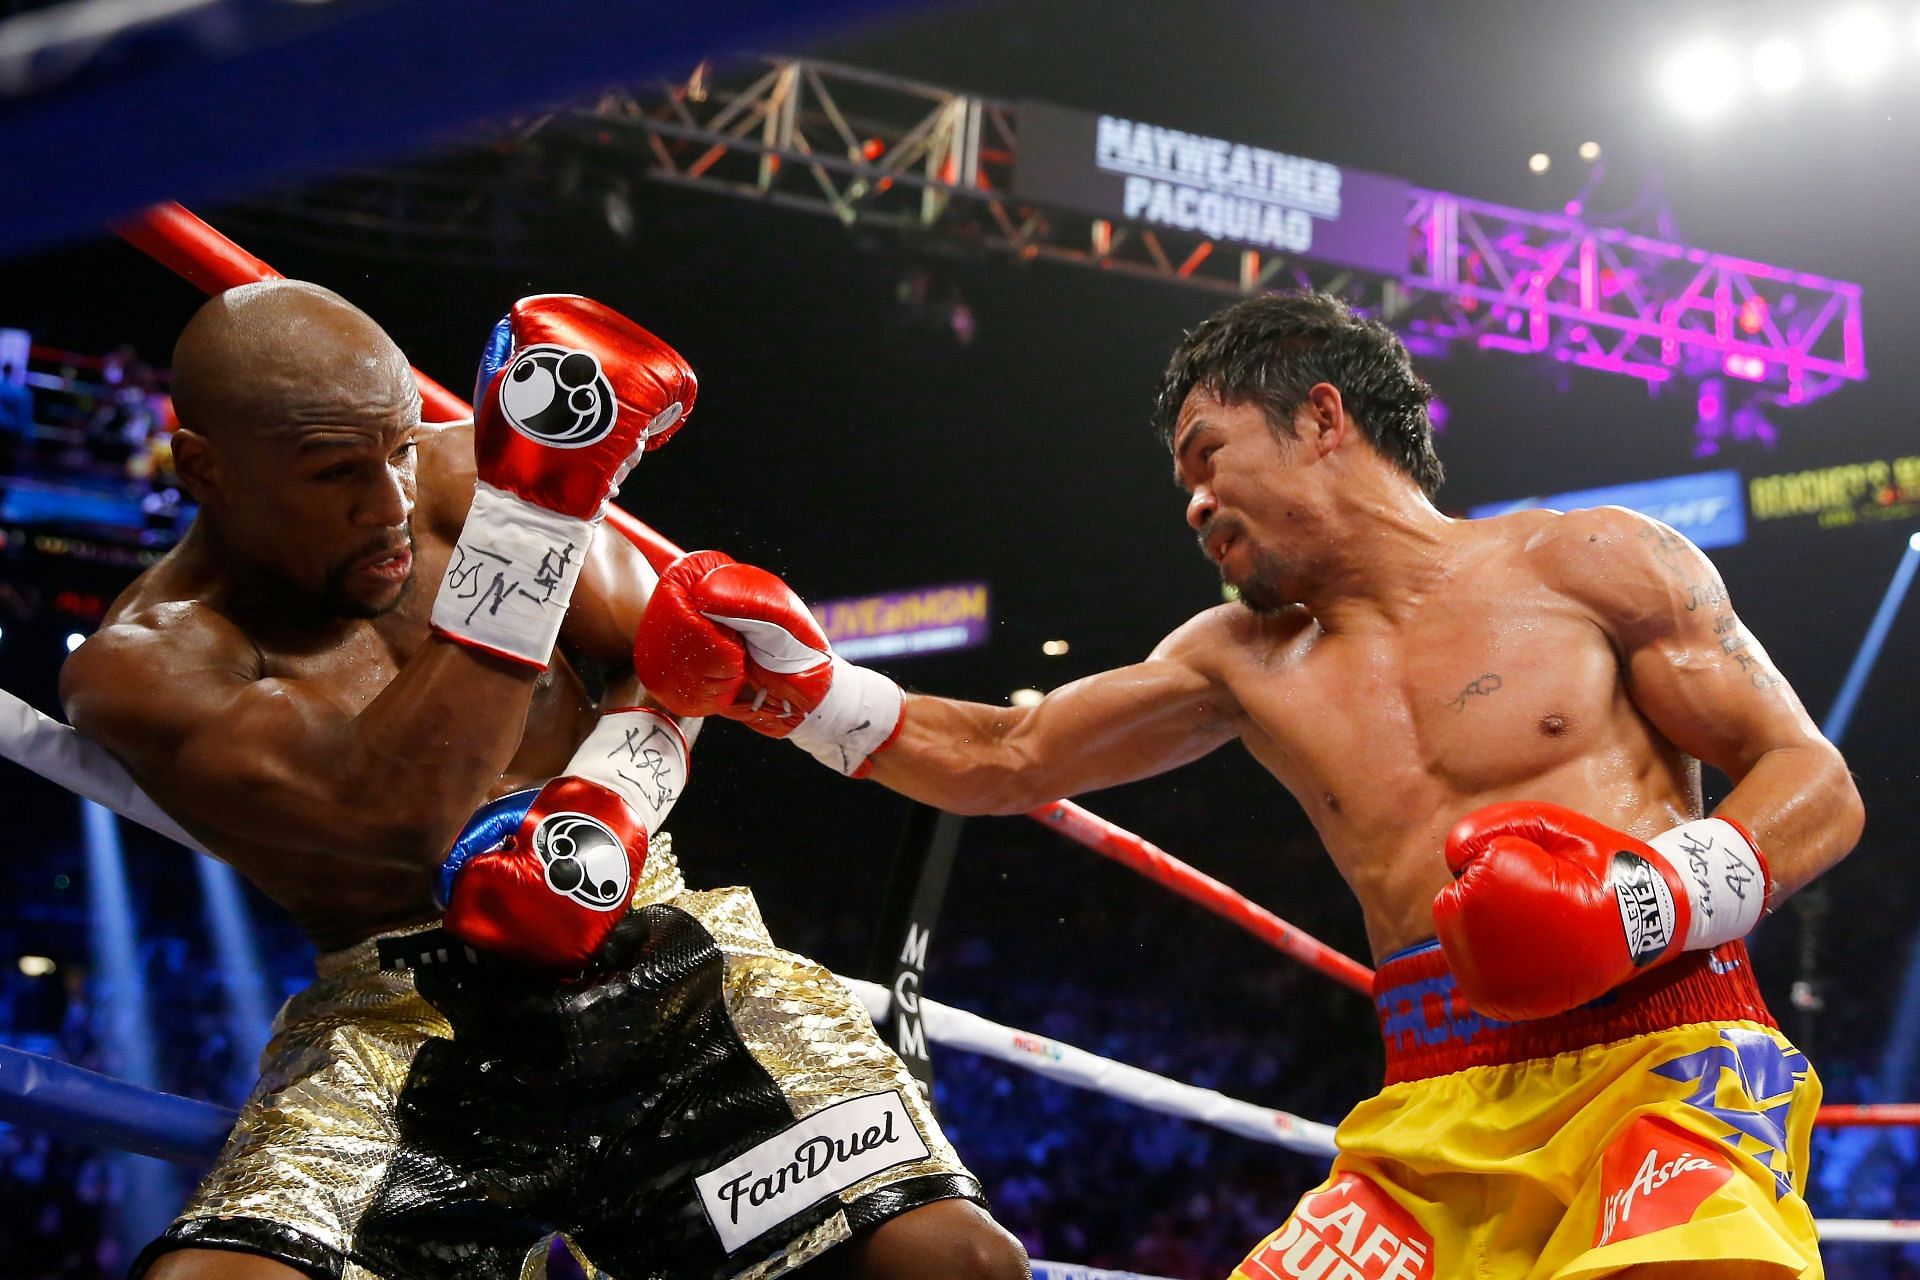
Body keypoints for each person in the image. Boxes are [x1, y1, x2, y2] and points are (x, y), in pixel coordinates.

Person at [633, 291, 1861, 1278]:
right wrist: (789, 688)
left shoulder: (1588, 557)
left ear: (1323, 416)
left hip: (1667, 1054)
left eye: (1208, 456)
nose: (1195, 503)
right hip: (1429, 1116)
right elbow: (1010, 757)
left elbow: (1815, 778)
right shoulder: (1239, 658)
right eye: (1184, 485)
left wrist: (1640, 900)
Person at [58, 281, 1027, 1280]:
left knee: (952, 1261)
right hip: (405, 1022)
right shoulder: (147, 663)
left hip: (660, 954)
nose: (389, 500)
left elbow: (675, 648)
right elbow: (399, 811)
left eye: (396, 447)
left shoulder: (462, 477)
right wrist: (535, 519)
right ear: (203, 467)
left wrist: (610, 801)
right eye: (334, 471)